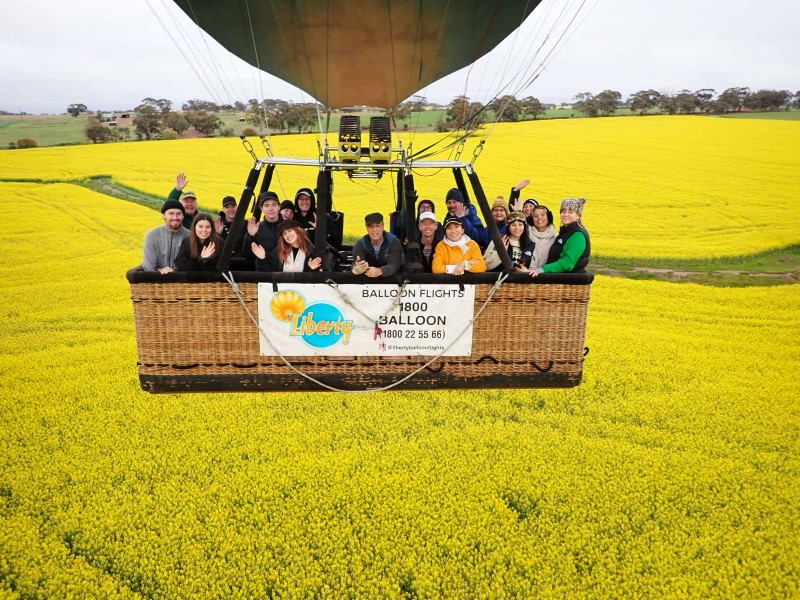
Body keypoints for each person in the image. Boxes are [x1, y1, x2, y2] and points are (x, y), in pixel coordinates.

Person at [525, 197, 591, 277]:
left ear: (578, 216)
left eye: (570, 212)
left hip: (569, 281)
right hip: (559, 277)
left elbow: (567, 262)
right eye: (563, 211)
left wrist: (542, 269)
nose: (566, 215)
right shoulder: (566, 232)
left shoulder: (578, 234)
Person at [252, 220, 322, 272]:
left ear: (298, 231)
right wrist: (262, 258)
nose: (287, 235)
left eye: (290, 230)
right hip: (282, 290)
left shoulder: (311, 250)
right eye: (284, 233)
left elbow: (320, 275)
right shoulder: (279, 250)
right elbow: (270, 272)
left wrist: (311, 269)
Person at [142, 198, 190, 274]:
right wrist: (162, 271)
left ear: (183, 216)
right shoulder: (152, 236)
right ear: (164, 216)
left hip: (182, 282)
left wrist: (174, 272)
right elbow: (149, 267)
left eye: (178, 214)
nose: (175, 217)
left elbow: (191, 266)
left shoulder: (190, 236)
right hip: (156, 282)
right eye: (171, 213)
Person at [352, 212, 403, 278]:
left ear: (383, 226)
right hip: (368, 283)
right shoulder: (360, 244)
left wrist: (380, 271)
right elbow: (355, 264)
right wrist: (356, 269)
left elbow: (395, 265)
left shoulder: (394, 241)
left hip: (391, 282)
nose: (374, 230)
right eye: (370, 226)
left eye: (377, 226)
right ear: (367, 228)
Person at [243, 191, 283, 261]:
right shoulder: (257, 228)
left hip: (285, 270)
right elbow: (248, 256)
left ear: (279, 207)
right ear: (261, 208)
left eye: (274, 205)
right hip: (263, 270)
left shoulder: (289, 227)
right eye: (266, 206)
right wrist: (250, 236)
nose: (271, 209)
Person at [527, 204, 557, 268]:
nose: (539, 218)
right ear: (531, 220)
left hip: (546, 276)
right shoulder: (526, 235)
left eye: (543, 215)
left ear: (548, 217)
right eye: (535, 216)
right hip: (526, 274)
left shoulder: (555, 239)